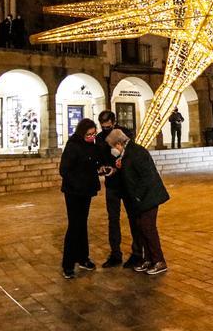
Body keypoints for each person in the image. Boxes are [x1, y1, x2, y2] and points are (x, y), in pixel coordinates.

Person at [106, 128, 170, 274]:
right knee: (141, 228)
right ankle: (149, 259)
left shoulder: (136, 152)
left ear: (118, 144)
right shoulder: (127, 153)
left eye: (112, 147)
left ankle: (159, 260)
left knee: (148, 228)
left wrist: (137, 196)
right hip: (141, 198)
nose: (112, 150)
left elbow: (147, 177)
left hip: (149, 196)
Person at [96, 110, 143, 268]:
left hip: (127, 182)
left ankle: (137, 253)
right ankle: (115, 253)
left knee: (133, 217)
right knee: (113, 219)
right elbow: (99, 157)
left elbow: (130, 156)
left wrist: (118, 168)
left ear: (114, 123)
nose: (106, 130)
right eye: (103, 127)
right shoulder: (100, 138)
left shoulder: (125, 133)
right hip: (112, 184)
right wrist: (102, 167)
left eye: (108, 127)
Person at [59, 119, 103, 279]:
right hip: (74, 192)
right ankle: (68, 264)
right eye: (88, 134)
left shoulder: (92, 145)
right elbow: (64, 170)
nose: (91, 137)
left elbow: (95, 161)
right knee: (74, 226)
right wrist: (79, 181)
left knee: (82, 223)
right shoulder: (73, 146)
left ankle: (83, 258)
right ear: (81, 133)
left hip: (86, 191)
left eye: (93, 134)